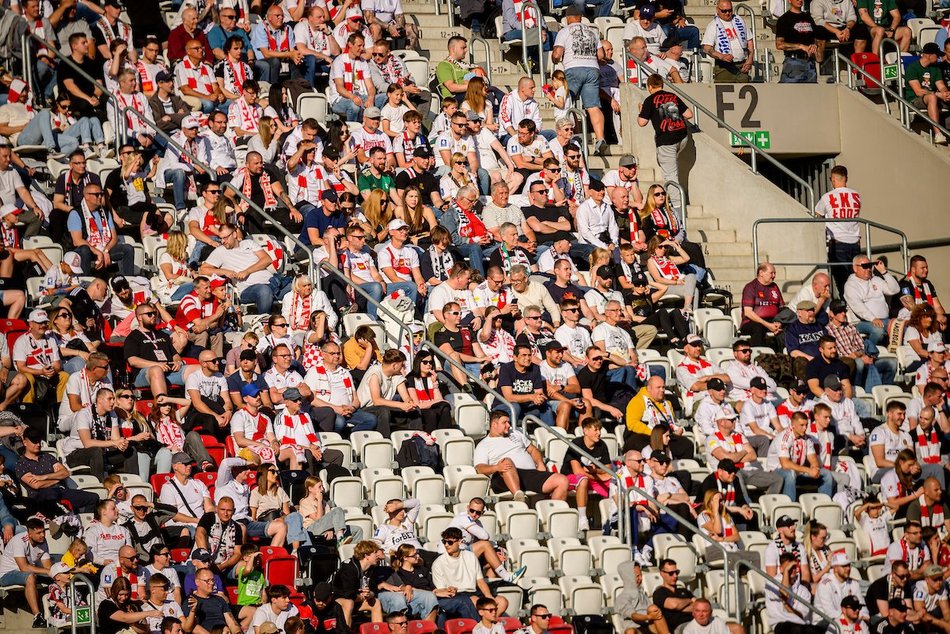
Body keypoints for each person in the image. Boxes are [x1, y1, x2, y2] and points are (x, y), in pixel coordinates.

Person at [474, 410, 569, 501]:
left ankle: (552, 515)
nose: (508, 425)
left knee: (562, 480)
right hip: (503, 477)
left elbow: (533, 450)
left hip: (529, 474)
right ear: (494, 424)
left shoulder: (516, 433)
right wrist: (497, 467)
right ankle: (519, 497)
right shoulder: (484, 444)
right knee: (506, 461)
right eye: (504, 422)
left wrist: (540, 463)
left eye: (509, 422)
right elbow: (479, 468)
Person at [552, 7, 608, 155]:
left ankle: (574, 137)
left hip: (573, 69)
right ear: (581, 18)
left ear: (567, 18)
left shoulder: (564, 31)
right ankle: (600, 138)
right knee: (593, 106)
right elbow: (601, 55)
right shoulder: (593, 32)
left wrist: (554, 59)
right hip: (592, 69)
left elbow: (557, 54)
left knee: (568, 104)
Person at [636, 75, 692, 211]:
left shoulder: (649, 100)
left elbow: (641, 123)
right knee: (668, 166)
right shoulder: (672, 96)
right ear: (662, 85)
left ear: (649, 87)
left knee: (670, 176)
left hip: (666, 141)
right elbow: (689, 114)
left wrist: (641, 111)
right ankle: (676, 200)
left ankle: (678, 209)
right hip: (682, 138)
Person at [431, 527, 509, 620]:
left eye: (450, 542)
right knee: (475, 601)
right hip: (457, 595)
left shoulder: (471, 556)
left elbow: (480, 581)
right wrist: (450, 590)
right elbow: (441, 590)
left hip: (473, 592)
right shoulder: (438, 563)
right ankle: (481, 627)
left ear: (459, 542)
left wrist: (489, 596)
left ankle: (488, 625)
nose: (446, 545)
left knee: (502, 601)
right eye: (444, 542)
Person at [0, 517, 50, 627]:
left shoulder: (43, 541)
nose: (43, 535)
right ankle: (37, 617)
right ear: (30, 534)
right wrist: (48, 571)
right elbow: (24, 568)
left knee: (56, 577)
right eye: (39, 532)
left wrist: (55, 573)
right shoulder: (19, 541)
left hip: (26, 572)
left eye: (43, 531)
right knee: (30, 577)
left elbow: (48, 566)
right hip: (6, 575)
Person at [702, 0, 754, 82]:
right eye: (724, 11)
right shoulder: (713, 25)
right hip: (724, 67)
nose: (727, 13)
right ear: (717, 10)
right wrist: (721, 56)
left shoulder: (739, 21)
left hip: (742, 65)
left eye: (730, 10)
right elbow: (707, 48)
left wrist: (750, 59)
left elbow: (750, 41)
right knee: (724, 92)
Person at [182, 568, 241, 634]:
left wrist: (237, 632)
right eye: (207, 581)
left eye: (212, 580)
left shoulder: (220, 600)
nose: (212, 583)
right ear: (197, 582)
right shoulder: (191, 601)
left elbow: (232, 623)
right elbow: (192, 627)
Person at [739, 263, 785, 346]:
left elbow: (781, 308)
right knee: (758, 327)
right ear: (761, 273)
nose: (774, 276)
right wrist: (768, 325)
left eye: (775, 273)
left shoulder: (774, 287)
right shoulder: (751, 287)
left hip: (772, 320)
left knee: (791, 325)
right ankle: (760, 355)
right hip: (752, 322)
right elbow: (748, 312)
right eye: (771, 273)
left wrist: (779, 322)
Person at [776, 0, 818, 83]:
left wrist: (815, 45)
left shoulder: (808, 18)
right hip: (793, 62)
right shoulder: (784, 19)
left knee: (812, 93)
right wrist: (800, 46)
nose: (800, 0)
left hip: (809, 62)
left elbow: (816, 38)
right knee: (791, 93)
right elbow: (779, 44)